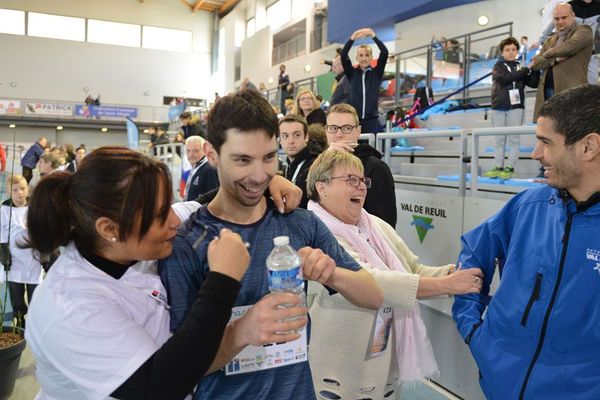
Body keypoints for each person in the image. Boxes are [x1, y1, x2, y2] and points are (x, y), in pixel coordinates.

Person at [159, 89, 382, 400]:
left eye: (268, 158)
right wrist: (243, 332)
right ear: (211, 154)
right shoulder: (188, 243)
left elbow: (373, 296)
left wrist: (333, 275)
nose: (258, 175)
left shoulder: (299, 222)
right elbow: (180, 368)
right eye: (242, 160)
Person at [24, 146, 252, 400]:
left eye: (169, 205)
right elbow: (157, 388)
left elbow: (203, 203)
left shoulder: (125, 241)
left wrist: (266, 184)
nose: (174, 221)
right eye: (159, 214)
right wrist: (223, 281)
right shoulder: (70, 307)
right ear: (109, 228)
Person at [452, 84, 600, 400]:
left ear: (589, 147)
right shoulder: (528, 205)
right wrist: (475, 333)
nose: (535, 153)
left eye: (546, 142)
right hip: (499, 384)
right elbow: (474, 252)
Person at [305, 151, 483, 399]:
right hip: (340, 364)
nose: (361, 187)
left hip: (384, 357)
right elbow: (372, 282)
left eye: (362, 181)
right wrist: (447, 284)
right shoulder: (314, 232)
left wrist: (454, 274)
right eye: (350, 180)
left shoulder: (375, 225)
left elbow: (413, 269)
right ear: (321, 187)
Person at [326, 103, 397, 227]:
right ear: (326, 131)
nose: (339, 134)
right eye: (333, 128)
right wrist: (325, 160)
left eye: (347, 128)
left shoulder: (377, 169)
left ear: (358, 131)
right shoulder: (319, 165)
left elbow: (384, 225)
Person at [486, 37, 539, 180]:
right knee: (499, 139)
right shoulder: (498, 66)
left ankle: (510, 167)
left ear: (517, 51)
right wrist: (525, 70)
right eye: (507, 50)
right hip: (498, 106)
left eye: (513, 49)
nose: (510, 52)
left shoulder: (520, 66)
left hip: (516, 106)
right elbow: (505, 79)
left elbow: (534, 84)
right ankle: (498, 166)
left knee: (514, 138)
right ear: (502, 52)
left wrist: (534, 69)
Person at [530, 2, 593, 120]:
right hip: (547, 92)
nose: (560, 21)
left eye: (564, 17)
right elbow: (536, 64)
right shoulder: (550, 40)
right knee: (551, 132)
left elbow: (570, 47)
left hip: (572, 92)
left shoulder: (584, 30)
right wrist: (557, 57)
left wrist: (547, 54)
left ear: (573, 15)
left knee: (570, 131)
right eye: (556, 19)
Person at [0, 175, 42, 328]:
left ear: (28, 189)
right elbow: (2, 235)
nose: (19, 193)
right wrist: (4, 255)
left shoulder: (35, 207)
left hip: (34, 258)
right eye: (15, 190)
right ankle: (19, 318)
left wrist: (44, 253)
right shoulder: (4, 210)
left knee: (35, 293)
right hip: (14, 260)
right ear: (8, 192)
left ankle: (35, 320)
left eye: (22, 189)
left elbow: (41, 231)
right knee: (16, 295)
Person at [340, 28, 388, 133]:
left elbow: (384, 53)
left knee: (369, 148)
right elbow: (343, 55)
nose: (364, 58)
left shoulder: (376, 73)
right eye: (361, 55)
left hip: (372, 120)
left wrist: (374, 37)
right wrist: (352, 39)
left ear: (371, 57)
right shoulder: (352, 73)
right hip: (354, 120)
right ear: (357, 57)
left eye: (367, 55)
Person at [279, 114, 321, 208]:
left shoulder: (315, 165)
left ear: (306, 137)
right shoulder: (287, 166)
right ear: (280, 140)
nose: (291, 141)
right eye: (285, 136)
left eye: (296, 135)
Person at [184, 135, 219, 202]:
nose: (191, 154)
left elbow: (214, 199)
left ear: (204, 150)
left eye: (195, 150)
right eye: (188, 151)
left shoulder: (209, 169)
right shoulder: (195, 166)